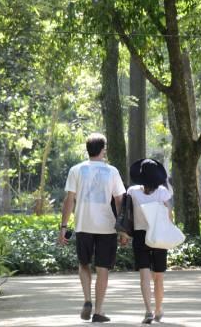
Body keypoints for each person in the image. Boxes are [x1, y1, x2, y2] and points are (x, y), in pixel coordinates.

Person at [57, 133, 126, 323]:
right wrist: (122, 229)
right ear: (103, 149)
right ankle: (99, 310)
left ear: (88, 149)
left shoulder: (76, 170)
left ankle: (87, 300)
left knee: (84, 263)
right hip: (107, 227)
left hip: (83, 225)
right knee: (103, 268)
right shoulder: (112, 171)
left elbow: (68, 200)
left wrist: (63, 227)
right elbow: (120, 200)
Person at [125, 158, 172, 324]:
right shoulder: (162, 192)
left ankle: (148, 310)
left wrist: (124, 234)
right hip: (158, 235)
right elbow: (169, 216)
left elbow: (127, 214)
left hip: (140, 235)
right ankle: (159, 309)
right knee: (158, 276)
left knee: (144, 275)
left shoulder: (132, 191)